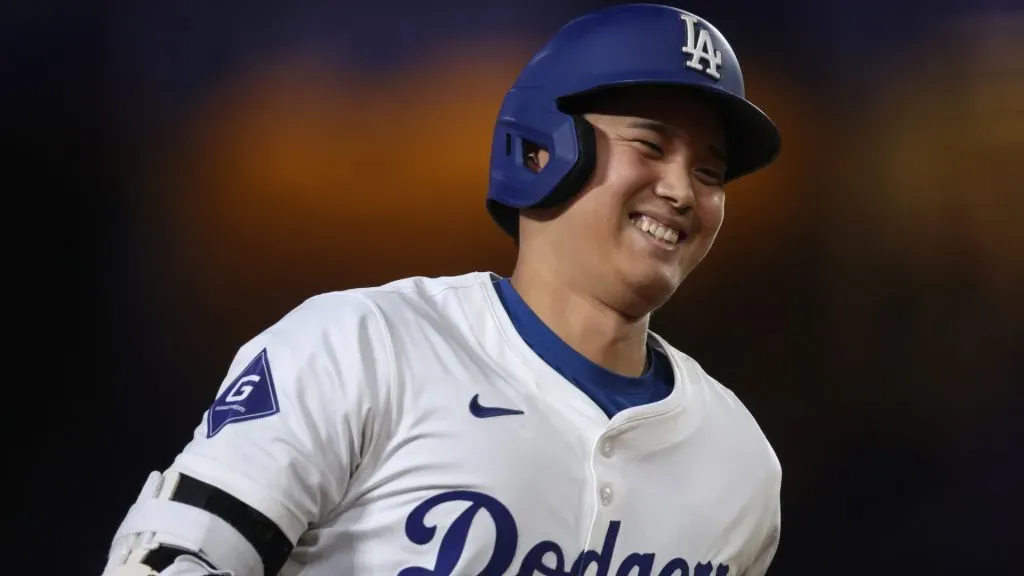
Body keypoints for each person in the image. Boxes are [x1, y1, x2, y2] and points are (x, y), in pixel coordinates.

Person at [102, 4, 783, 575]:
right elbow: (171, 559)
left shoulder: (740, 466)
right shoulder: (362, 347)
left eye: (710, 172)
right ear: (543, 147)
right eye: (652, 144)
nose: (680, 190)